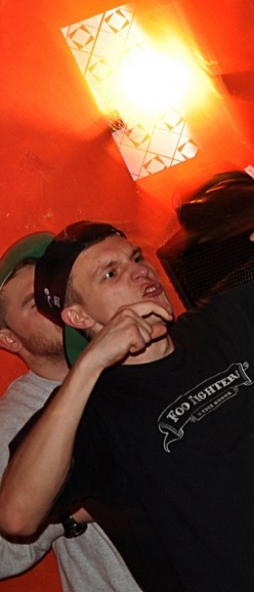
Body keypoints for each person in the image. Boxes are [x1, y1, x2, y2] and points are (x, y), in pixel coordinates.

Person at [0, 208, 254, 591]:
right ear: (79, 317)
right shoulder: (92, 411)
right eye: (111, 274)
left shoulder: (222, 322)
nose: (139, 272)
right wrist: (89, 364)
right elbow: (16, 519)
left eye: (136, 258)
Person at [0, 232, 141, 591]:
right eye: (34, 303)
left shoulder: (143, 355)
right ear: (9, 339)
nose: (53, 305)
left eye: (57, 290)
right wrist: (70, 511)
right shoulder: (13, 421)